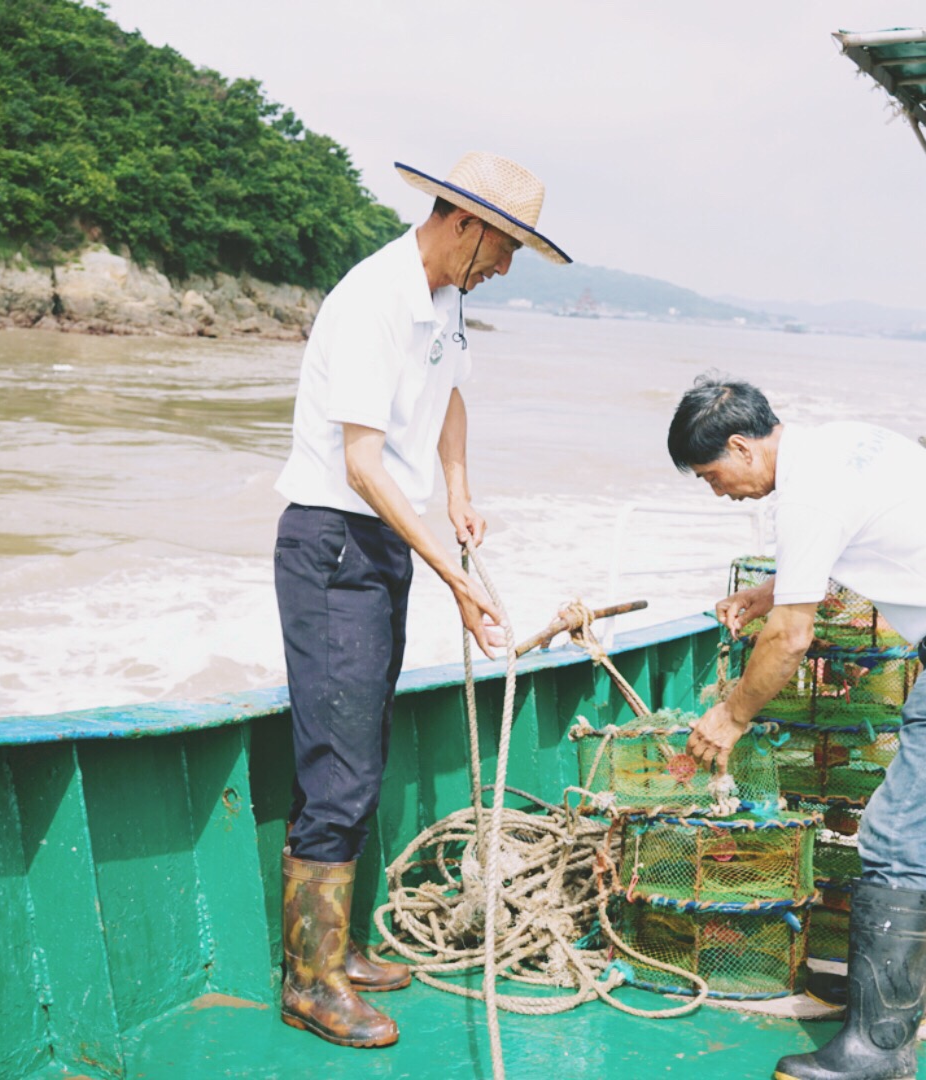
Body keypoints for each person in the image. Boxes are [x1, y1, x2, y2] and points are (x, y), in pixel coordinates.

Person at [665, 377, 926, 1080]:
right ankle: (891, 1005)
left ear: (740, 446)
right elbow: (871, 540)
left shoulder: (808, 493)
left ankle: (878, 1048)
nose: (717, 491)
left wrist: (729, 716)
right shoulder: (838, 446)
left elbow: (791, 638)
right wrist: (769, 590)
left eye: (712, 476)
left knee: (898, 835)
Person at [272, 151, 569, 1048]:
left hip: (379, 542)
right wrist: (452, 571)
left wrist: (460, 489)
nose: (508, 266)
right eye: (506, 246)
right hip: (333, 543)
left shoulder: (445, 302)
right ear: (464, 223)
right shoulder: (372, 298)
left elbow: (447, 403)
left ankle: (341, 948)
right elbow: (360, 465)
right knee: (340, 764)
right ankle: (309, 981)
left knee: (361, 747)